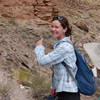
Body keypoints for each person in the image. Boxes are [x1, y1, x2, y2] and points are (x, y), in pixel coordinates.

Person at [34, 16, 80, 100]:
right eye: (52, 26)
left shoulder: (64, 47)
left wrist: (39, 47)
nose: (53, 29)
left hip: (68, 95)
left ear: (64, 29)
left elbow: (42, 61)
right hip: (61, 93)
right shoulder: (60, 45)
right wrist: (53, 89)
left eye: (56, 27)